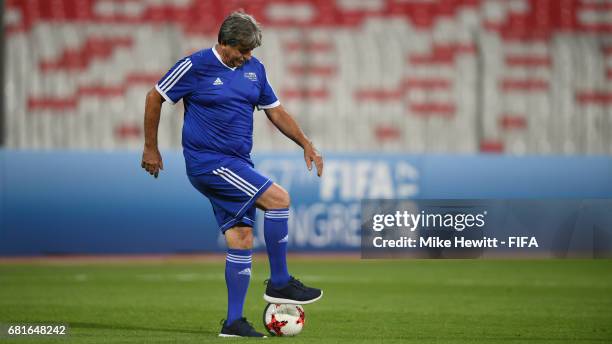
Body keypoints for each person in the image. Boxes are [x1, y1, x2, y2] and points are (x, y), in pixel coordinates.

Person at [140, 11, 324, 338]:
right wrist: (150, 148)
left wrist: (305, 143)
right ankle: (280, 283)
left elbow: (275, 111)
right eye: (242, 50)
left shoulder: (255, 70)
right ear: (223, 43)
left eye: (250, 51)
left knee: (241, 238)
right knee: (280, 198)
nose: (247, 56)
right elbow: (155, 96)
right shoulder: (195, 66)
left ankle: (233, 322)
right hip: (209, 163)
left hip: (239, 163)